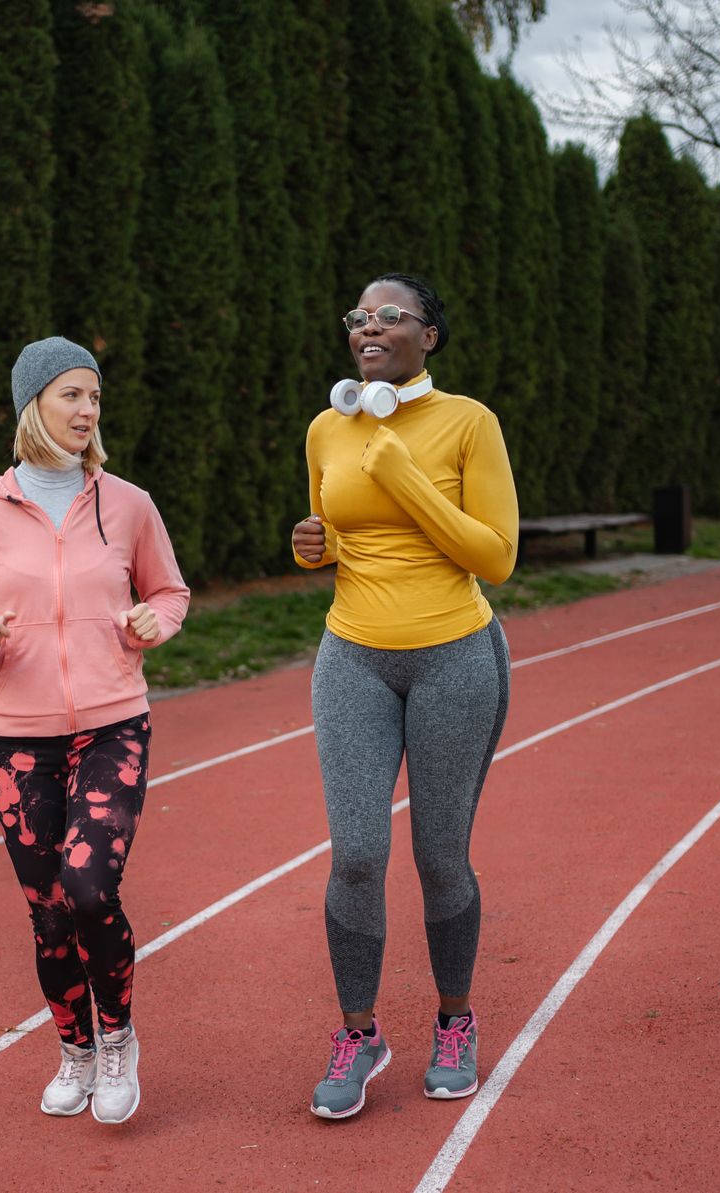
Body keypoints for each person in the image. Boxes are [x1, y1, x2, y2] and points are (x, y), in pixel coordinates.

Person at [0, 336, 189, 1125]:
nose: (86, 411)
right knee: (47, 909)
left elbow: (171, 591)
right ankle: (73, 1048)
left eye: (94, 398)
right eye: (71, 395)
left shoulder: (128, 503)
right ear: (31, 403)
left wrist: (153, 621)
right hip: (15, 736)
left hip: (112, 725)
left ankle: (117, 1039)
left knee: (88, 887)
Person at [289, 273, 517, 1120]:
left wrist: (405, 474)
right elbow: (339, 540)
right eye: (357, 317)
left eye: (390, 316)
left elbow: (494, 557)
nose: (368, 327)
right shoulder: (326, 426)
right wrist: (312, 547)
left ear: (429, 336)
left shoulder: (468, 423)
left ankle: (455, 1020)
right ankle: (359, 1033)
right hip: (352, 653)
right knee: (354, 852)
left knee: (437, 854)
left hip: (453, 655)